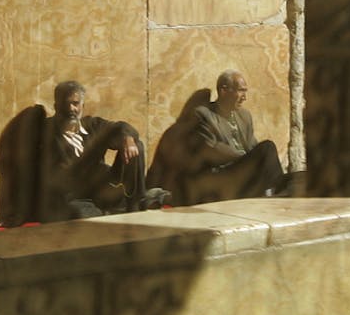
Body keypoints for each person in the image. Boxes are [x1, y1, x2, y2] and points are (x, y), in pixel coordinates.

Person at [172, 70, 303, 204]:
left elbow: (253, 147)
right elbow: (212, 148)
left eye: (245, 91)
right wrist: (247, 158)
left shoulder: (244, 116)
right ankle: (276, 192)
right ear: (223, 91)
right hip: (225, 177)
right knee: (267, 147)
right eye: (240, 91)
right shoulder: (204, 114)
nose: (244, 97)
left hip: (246, 173)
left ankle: (275, 192)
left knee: (300, 177)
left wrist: (254, 160)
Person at [37, 81, 160, 221]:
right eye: (65, 104)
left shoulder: (92, 125)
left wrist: (128, 138)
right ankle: (114, 209)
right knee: (82, 214)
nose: (71, 109)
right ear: (56, 106)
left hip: (101, 188)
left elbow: (120, 127)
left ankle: (135, 204)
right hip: (72, 196)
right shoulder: (46, 131)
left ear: (82, 106)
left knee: (137, 145)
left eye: (75, 104)